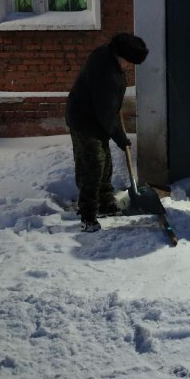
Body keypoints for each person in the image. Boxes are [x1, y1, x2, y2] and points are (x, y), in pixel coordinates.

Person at [65, 32, 149, 232]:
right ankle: (88, 216)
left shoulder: (106, 53)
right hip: (85, 121)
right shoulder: (107, 74)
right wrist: (121, 138)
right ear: (122, 56)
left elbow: (107, 109)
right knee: (93, 166)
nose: (129, 67)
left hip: (94, 118)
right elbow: (107, 114)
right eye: (130, 62)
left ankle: (105, 203)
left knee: (105, 163)